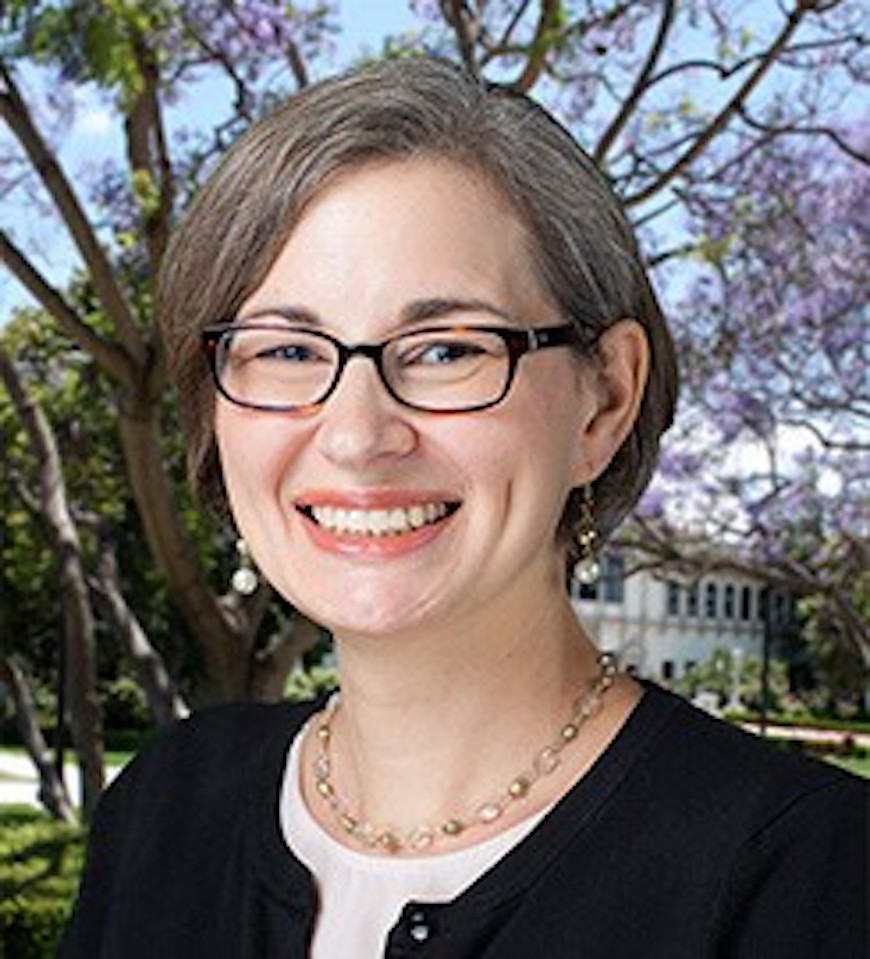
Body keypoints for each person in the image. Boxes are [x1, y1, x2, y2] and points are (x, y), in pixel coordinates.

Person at [59, 57, 866, 958]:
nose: (357, 434)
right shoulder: (168, 808)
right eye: (285, 351)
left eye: (445, 350)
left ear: (605, 400)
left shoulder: (806, 875)